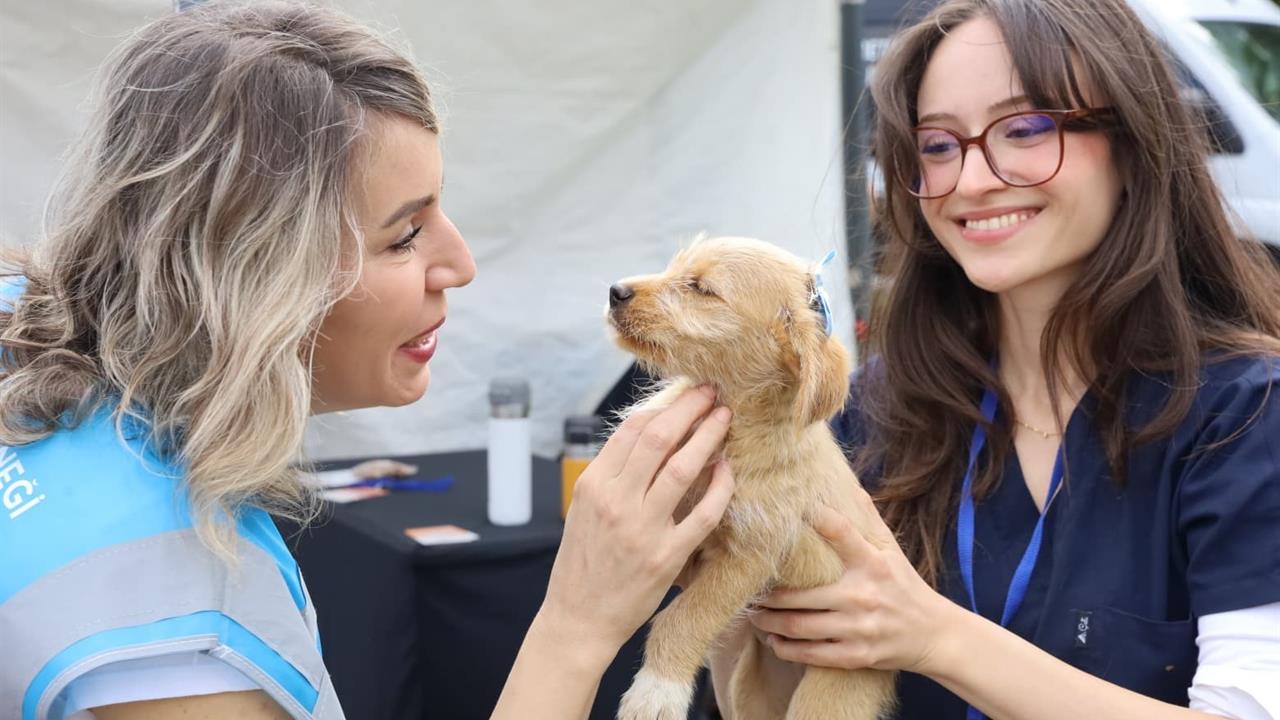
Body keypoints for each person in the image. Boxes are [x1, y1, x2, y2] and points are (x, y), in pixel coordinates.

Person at [0, 2, 734, 719]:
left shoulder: (17, 323)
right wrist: (578, 623)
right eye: (404, 237)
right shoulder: (176, 654)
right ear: (258, 275)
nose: (461, 264)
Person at [727, 0, 1280, 719]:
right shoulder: (875, 412)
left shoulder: (1245, 418)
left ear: (1132, 143)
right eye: (936, 145)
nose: (971, 179)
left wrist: (935, 639)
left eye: (1025, 130)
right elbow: (774, 699)